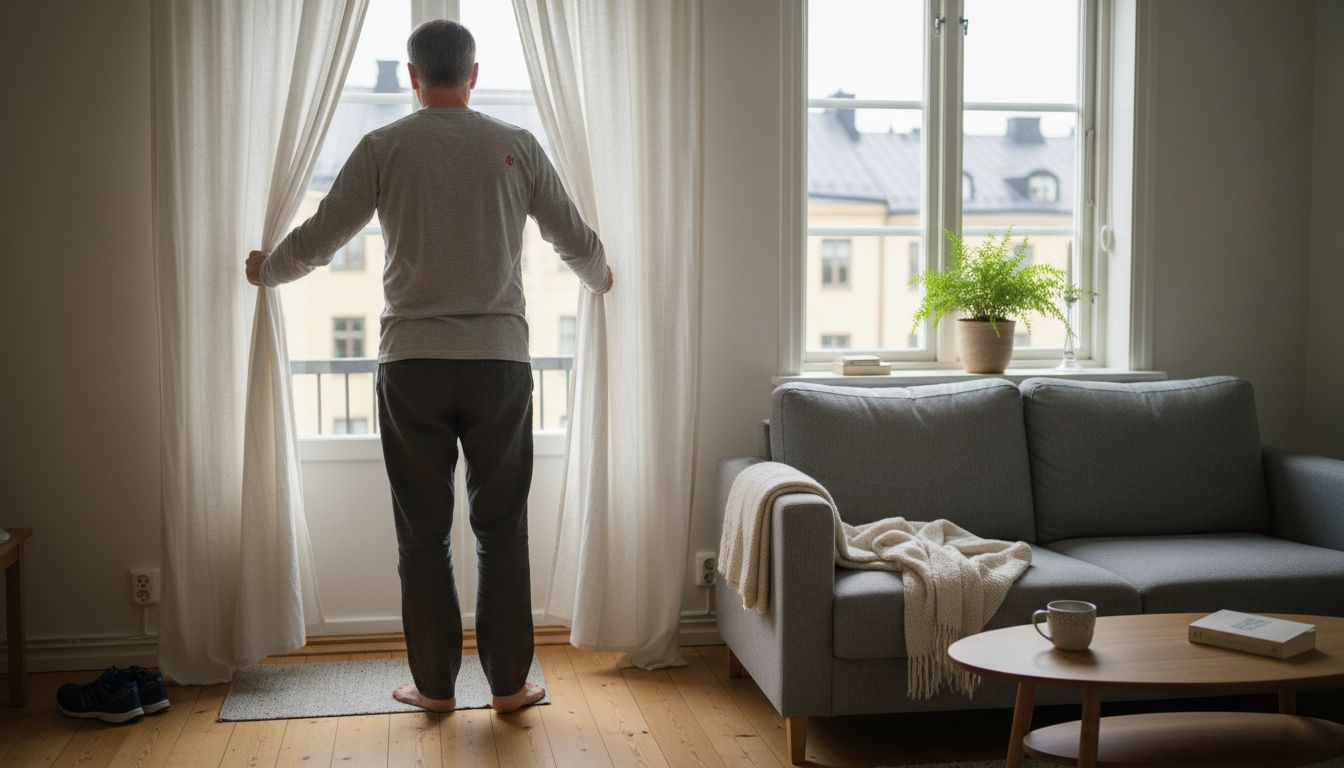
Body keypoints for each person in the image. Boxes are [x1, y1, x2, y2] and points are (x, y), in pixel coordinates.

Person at [245, 19, 610, 715]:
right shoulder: (516, 146)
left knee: (422, 532)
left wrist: (269, 271)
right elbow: (573, 238)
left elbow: (321, 239)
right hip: (499, 365)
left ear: (413, 77)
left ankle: (435, 689)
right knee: (502, 532)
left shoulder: (385, 146)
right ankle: (509, 687)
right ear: (474, 75)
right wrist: (603, 277)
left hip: (411, 366)